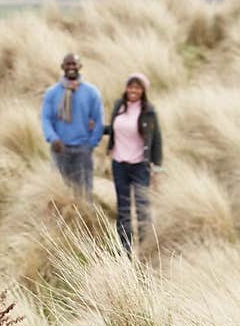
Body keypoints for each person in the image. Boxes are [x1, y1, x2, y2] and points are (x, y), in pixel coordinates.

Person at [104, 73, 163, 255]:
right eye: (131, 86)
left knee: (141, 208)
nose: (133, 90)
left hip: (139, 166)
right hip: (119, 164)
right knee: (123, 209)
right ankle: (125, 249)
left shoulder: (149, 112)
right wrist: (97, 128)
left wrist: (157, 166)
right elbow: (114, 129)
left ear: (143, 90)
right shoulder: (119, 106)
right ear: (126, 88)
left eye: (137, 87)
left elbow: (156, 140)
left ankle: (145, 247)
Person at [41, 52, 104, 198]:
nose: (71, 67)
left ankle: (84, 219)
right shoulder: (52, 93)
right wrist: (53, 138)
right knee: (58, 193)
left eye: (74, 64)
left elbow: (99, 120)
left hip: (83, 150)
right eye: (68, 64)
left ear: (80, 66)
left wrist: (91, 144)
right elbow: (46, 118)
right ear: (62, 67)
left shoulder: (91, 92)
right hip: (59, 149)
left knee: (84, 192)